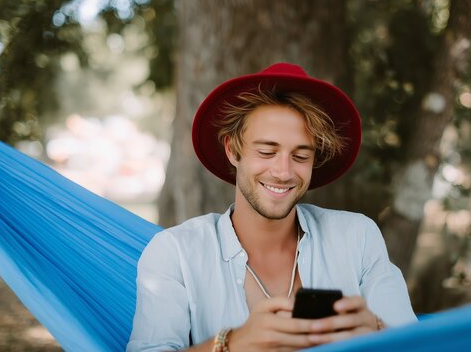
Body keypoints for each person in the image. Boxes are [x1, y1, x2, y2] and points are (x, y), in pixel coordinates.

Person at [127, 63, 417, 352]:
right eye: (266, 152)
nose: (283, 171)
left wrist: (377, 332)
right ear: (232, 150)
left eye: (301, 156)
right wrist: (232, 345)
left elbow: (415, 345)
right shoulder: (174, 252)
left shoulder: (358, 237)